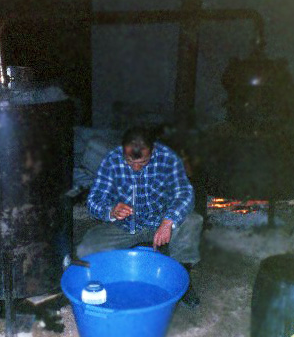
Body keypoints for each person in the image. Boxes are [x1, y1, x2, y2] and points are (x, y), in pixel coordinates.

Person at [76, 127, 203, 307]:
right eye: (130, 161)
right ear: (122, 150)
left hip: (160, 222)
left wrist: (168, 221)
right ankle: (106, 283)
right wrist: (111, 210)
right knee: (84, 250)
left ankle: (182, 280)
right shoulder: (111, 161)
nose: (135, 168)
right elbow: (93, 201)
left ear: (153, 150)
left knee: (192, 221)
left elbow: (186, 194)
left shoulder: (167, 159)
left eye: (142, 162)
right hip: (124, 226)